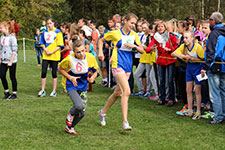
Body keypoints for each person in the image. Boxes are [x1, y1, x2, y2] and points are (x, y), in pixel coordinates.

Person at [98, 13, 144, 130]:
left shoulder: (134, 35)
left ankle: (102, 112)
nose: (133, 26)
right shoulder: (115, 33)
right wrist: (100, 52)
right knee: (126, 91)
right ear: (125, 21)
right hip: (117, 64)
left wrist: (133, 46)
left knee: (117, 93)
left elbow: (142, 50)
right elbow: (101, 40)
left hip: (128, 67)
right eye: (131, 23)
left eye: (135, 24)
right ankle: (125, 122)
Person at [58, 40, 98, 135]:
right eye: (78, 52)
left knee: (82, 112)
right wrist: (71, 77)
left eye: (83, 51)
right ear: (74, 52)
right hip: (71, 85)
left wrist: (92, 77)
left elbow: (95, 70)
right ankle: (71, 114)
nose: (81, 54)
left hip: (83, 87)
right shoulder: (69, 59)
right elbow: (60, 69)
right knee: (79, 106)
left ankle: (70, 127)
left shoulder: (90, 57)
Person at [172, 31, 205, 119]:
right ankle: (190, 110)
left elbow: (203, 59)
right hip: (189, 69)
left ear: (192, 38)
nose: (185, 40)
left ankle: (198, 111)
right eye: (184, 38)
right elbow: (173, 53)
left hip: (198, 69)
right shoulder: (183, 46)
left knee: (197, 91)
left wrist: (192, 58)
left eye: (187, 38)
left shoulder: (198, 47)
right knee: (188, 90)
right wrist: (182, 56)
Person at [146, 21, 177, 106]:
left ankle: (171, 99)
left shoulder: (171, 36)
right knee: (161, 80)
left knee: (170, 80)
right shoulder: (155, 37)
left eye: (162, 26)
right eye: (158, 27)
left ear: (165, 28)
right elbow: (148, 49)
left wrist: (170, 49)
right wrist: (151, 48)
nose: (160, 28)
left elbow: (176, 47)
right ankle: (161, 98)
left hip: (171, 60)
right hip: (160, 61)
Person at [201, 12, 225, 124]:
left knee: (215, 93)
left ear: (213, 21)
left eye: (210, 19)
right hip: (223, 66)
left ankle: (218, 117)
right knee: (223, 91)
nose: (209, 21)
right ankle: (223, 114)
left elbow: (211, 52)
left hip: (215, 66)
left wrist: (205, 67)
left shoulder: (214, 33)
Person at [38, 17, 64, 97]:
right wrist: (45, 49)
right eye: (47, 24)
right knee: (43, 72)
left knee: (54, 73)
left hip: (54, 56)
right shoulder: (44, 32)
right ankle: (42, 90)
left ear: (53, 23)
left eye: (50, 23)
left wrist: (52, 51)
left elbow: (60, 45)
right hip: (46, 55)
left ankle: (54, 90)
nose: (49, 25)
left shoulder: (58, 32)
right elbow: (42, 42)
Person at [0, 21, 18, 100]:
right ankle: (6, 91)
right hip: (4, 60)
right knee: (2, 75)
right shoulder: (2, 37)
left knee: (12, 76)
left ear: (6, 28)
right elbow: (1, 49)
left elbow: (14, 50)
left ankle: (14, 93)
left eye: (1, 28)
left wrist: (11, 61)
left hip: (11, 61)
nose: (0, 29)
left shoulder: (12, 38)